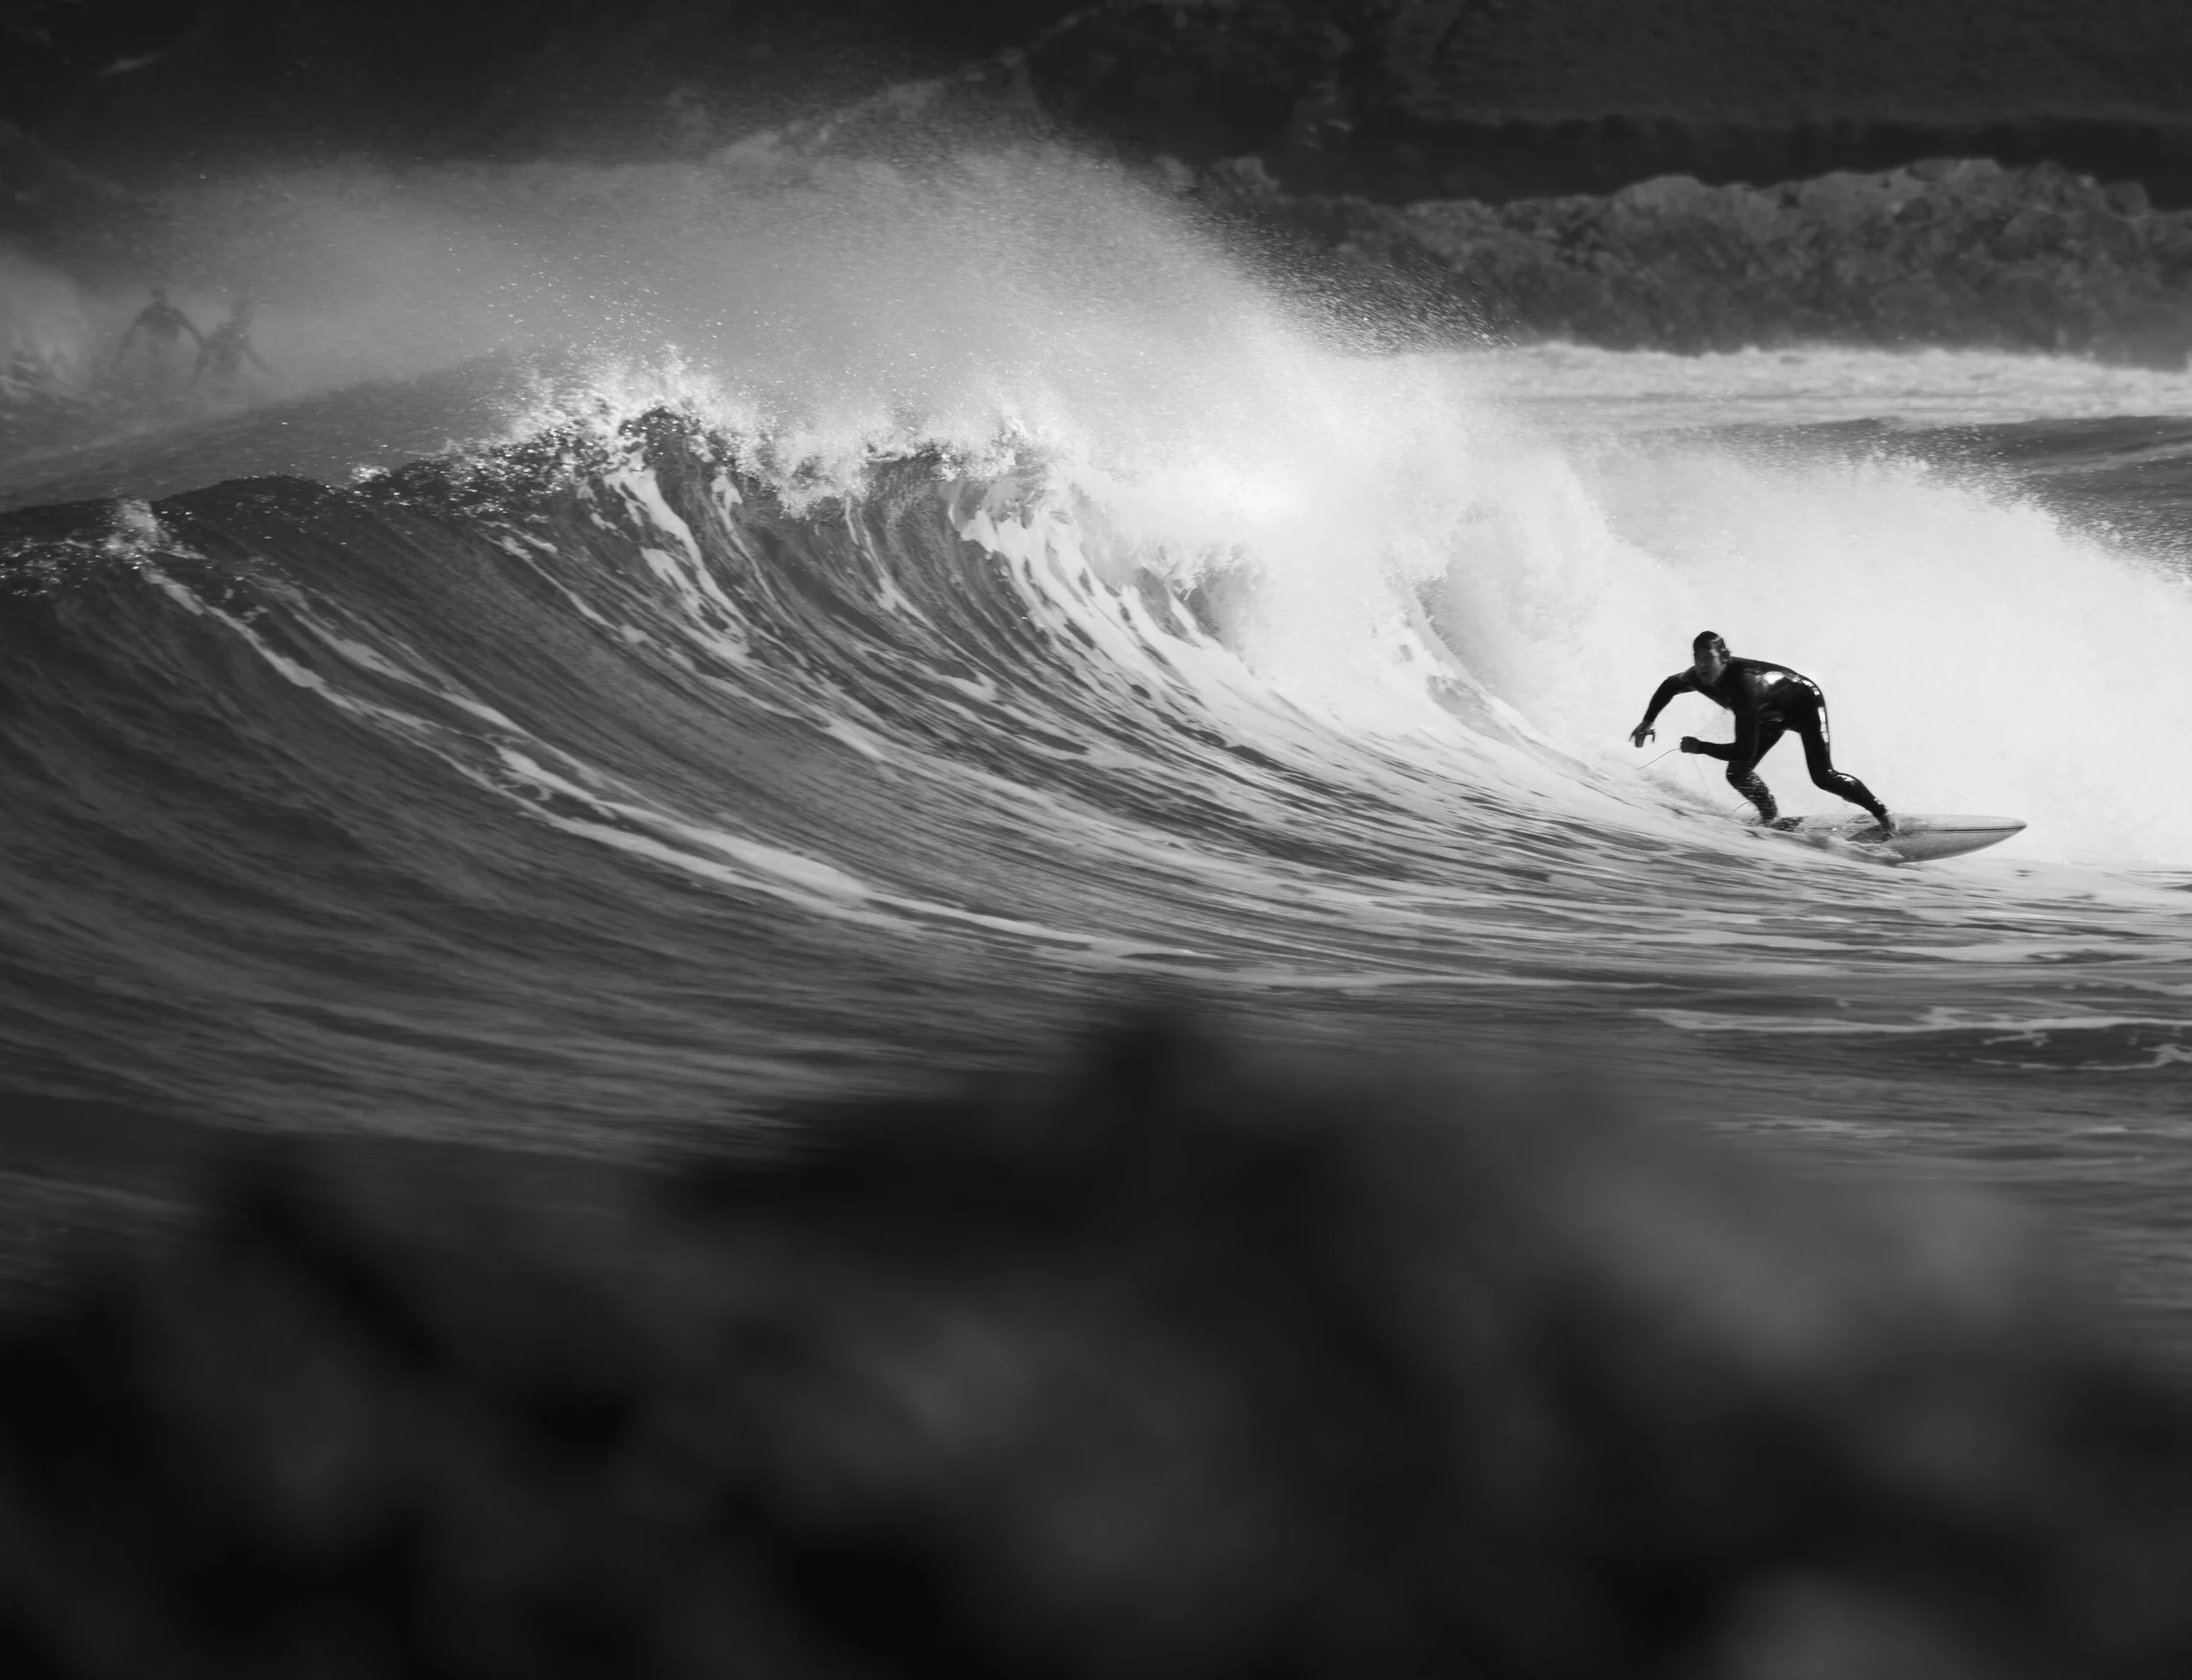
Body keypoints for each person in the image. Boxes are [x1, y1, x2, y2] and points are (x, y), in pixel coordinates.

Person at [1630, 630, 1895, 833]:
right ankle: (1772, 819)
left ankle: (1884, 815)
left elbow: (1743, 750)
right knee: (1737, 774)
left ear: (1724, 658)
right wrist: (1648, 721)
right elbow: (1669, 685)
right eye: (1697, 659)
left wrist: (1701, 747)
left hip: (1803, 705)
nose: (1701, 666)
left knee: (1822, 776)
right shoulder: (1697, 677)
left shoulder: (1744, 686)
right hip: (1770, 715)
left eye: (1708, 659)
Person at [113, 286, 203, 392]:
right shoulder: (148, 313)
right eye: (156, 296)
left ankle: (168, 389)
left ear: (165, 297)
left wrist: (201, 343)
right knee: (157, 369)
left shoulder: (172, 312)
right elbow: (133, 329)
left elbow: (191, 328)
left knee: (168, 370)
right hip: (155, 348)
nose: (159, 300)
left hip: (170, 347)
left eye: (160, 296)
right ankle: (159, 389)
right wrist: (126, 342)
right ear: (153, 298)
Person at [192, 297, 270, 397]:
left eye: (252, 315)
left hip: (227, 388)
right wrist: (192, 385)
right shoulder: (221, 334)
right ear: (236, 314)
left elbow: (258, 363)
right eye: (248, 314)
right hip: (215, 390)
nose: (251, 319)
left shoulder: (241, 338)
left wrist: (277, 375)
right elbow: (200, 361)